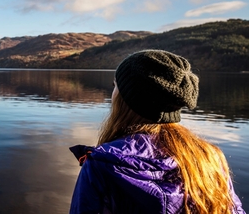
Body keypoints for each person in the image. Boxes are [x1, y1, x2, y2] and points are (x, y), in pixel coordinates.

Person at [69, 50, 245, 214]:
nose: (113, 93)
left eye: (116, 85)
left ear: (128, 98)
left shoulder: (102, 164)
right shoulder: (209, 157)